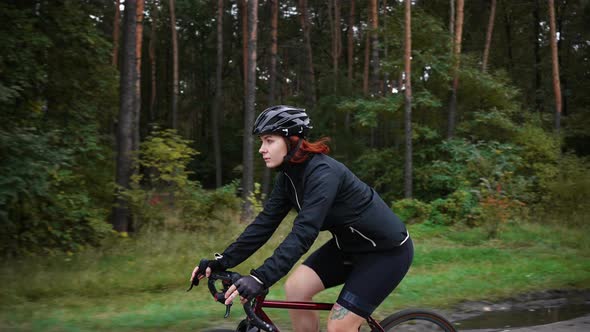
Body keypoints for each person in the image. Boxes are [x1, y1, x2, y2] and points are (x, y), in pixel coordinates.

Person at [191, 105, 413, 332]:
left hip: (386, 253)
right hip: (347, 248)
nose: (261, 149)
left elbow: (304, 233)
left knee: (339, 325)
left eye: (269, 141)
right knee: (296, 289)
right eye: (262, 141)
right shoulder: (288, 177)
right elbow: (263, 225)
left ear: (292, 140)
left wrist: (260, 278)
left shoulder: (323, 174)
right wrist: (222, 261)